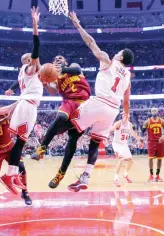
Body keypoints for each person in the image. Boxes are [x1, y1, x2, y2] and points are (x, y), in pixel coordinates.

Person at [67, 11, 134, 192]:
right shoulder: (128, 76)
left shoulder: (108, 60)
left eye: (119, 52)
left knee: (70, 127)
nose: (116, 53)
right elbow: (126, 101)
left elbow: (90, 42)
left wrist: (77, 24)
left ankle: (50, 155)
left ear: (120, 57)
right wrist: (126, 117)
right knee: (94, 142)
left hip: (100, 102)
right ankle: (86, 176)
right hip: (113, 110)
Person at [0, 7, 43, 194]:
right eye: (31, 59)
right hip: (27, 105)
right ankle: (9, 174)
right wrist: (35, 25)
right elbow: (36, 48)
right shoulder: (29, 68)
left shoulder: (25, 73)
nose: (35, 59)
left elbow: (17, 84)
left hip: (26, 104)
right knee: (20, 142)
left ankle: (13, 173)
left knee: (20, 141)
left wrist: (11, 88)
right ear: (28, 62)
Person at [32, 60, 91, 189]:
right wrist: (45, 83)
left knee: (73, 139)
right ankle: (42, 149)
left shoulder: (73, 67)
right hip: (69, 102)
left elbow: (76, 70)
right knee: (61, 117)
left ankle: (60, 174)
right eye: (56, 60)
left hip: (83, 104)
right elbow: (53, 91)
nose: (58, 61)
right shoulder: (56, 78)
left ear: (65, 62)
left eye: (60, 59)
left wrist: (62, 69)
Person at [0, 96, 32, 206]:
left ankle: (25, 192)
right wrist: (5, 119)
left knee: (22, 169)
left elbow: (16, 106)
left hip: (9, 146)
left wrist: (24, 98)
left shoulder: (4, 111)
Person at [110, 118, 140, 187]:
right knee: (121, 160)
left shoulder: (130, 124)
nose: (125, 116)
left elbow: (132, 132)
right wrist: (106, 135)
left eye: (127, 114)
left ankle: (125, 174)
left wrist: (139, 139)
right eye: (124, 114)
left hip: (124, 144)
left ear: (129, 116)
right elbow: (111, 129)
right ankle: (115, 179)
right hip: (116, 143)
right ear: (122, 116)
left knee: (130, 161)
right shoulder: (119, 123)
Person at [142, 108, 164, 183]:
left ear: (157, 112)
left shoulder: (161, 121)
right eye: (152, 111)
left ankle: (157, 175)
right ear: (151, 112)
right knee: (150, 158)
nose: (154, 112)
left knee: (160, 159)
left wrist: (163, 136)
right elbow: (142, 131)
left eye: (155, 110)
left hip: (160, 142)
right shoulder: (147, 121)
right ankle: (151, 175)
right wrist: (142, 138)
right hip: (151, 142)